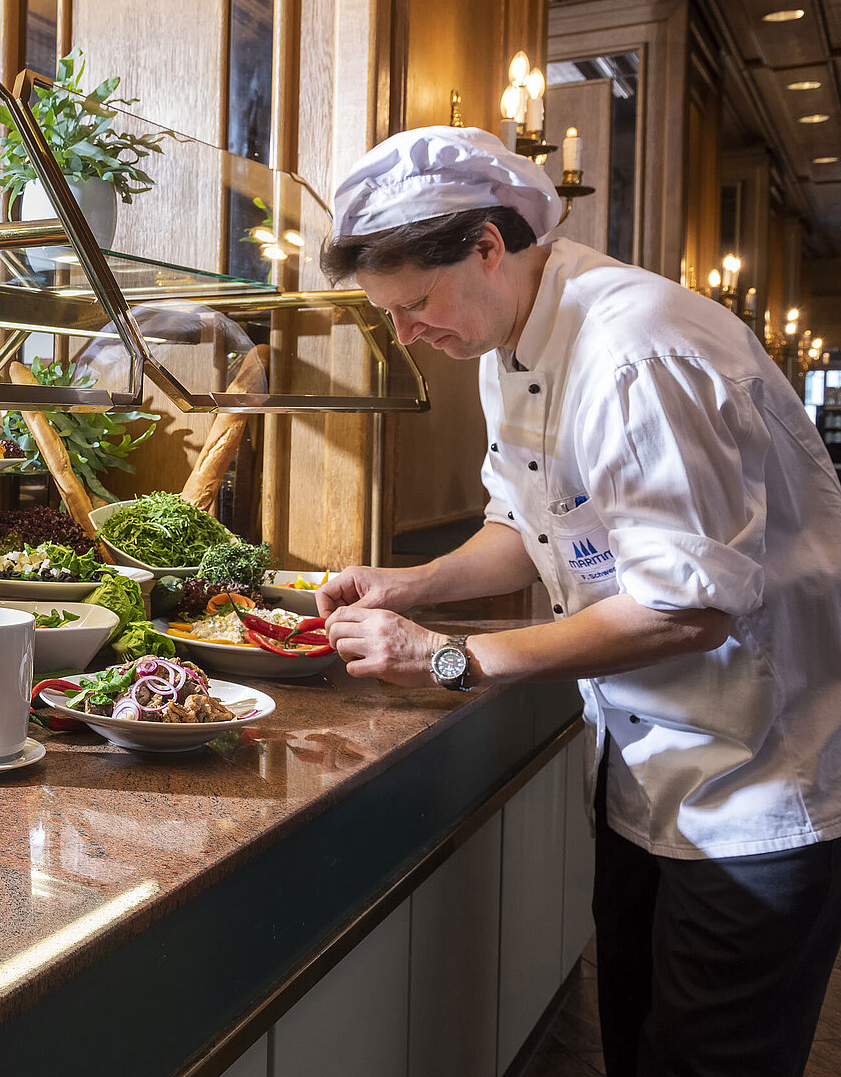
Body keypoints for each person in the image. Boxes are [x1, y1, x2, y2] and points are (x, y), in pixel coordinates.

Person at [315, 125, 841, 1077]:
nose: (407, 334)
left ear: (486, 244)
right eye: (388, 312)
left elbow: (690, 609)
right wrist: (413, 584)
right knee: (638, 1044)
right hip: (645, 774)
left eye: (416, 303)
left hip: (761, 781)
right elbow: (527, 524)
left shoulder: (638, 352)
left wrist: (452, 656)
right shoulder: (507, 343)